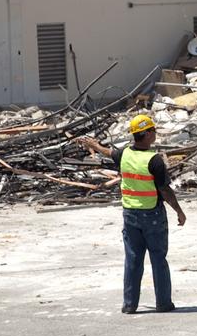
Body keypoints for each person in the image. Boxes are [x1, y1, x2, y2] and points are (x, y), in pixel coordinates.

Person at [77, 114, 186, 314]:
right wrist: (179, 211)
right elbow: (165, 190)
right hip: (152, 215)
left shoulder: (125, 154)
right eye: (153, 131)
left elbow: (109, 152)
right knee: (158, 259)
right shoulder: (154, 161)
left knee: (133, 260)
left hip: (130, 215)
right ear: (147, 134)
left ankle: (130, 305)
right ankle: (163, 303)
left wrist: (94, 145)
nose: (155, 134)